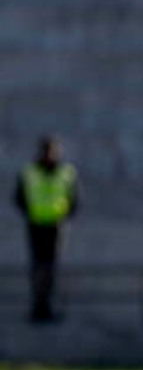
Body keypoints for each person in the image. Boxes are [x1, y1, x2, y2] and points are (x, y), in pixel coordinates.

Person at [13, 136, 78, 322]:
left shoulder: (66, 172)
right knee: (39, 266)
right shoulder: (29, 171)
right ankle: (38, 305)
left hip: (56, 225)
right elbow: (19, 197)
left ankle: (48, 304)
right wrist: (31, 212)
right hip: (36, 224)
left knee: (51, 266)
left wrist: (64, 213)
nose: (51, 155)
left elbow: (73, 197)